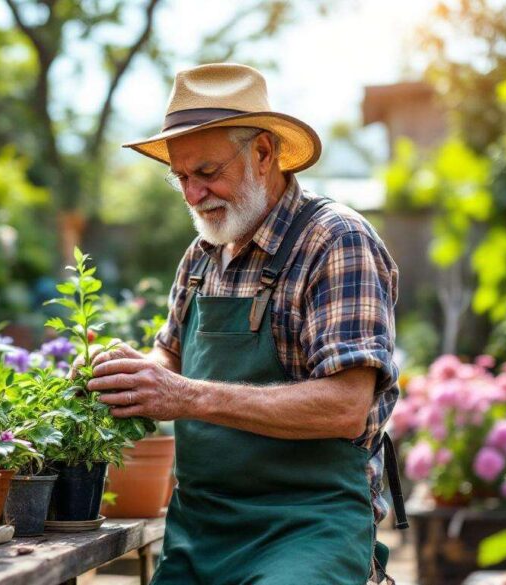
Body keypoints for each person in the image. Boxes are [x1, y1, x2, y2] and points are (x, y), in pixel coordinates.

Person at [84, 63, 407, 584]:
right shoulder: (202, 256)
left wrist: (185, 396)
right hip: (200, 529)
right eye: (181, 178)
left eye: (207, 172)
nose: (193, 194)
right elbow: (170, 357)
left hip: (308, 529)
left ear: (263, 153)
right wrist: (133, 372)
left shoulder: (336, 241)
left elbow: (346, 406)